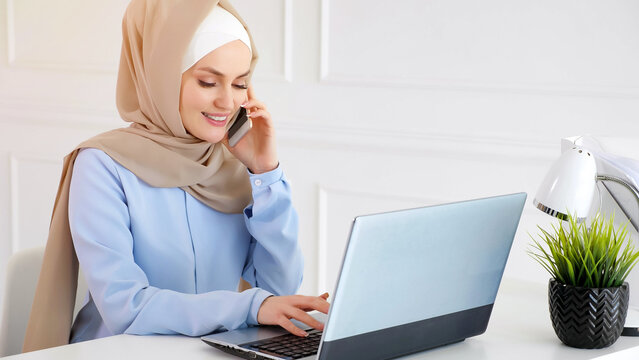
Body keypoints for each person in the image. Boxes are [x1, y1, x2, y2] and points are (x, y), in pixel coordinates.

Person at [22, 0, 328, 352]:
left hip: (210, 351)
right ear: (162, 79)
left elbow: (279, 287)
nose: (228, 103)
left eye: (240, 84)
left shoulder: (232, 165)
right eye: (209, 82)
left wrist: (266, 174)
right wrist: (250, 306)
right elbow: (126, 308)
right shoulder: (102, 165)